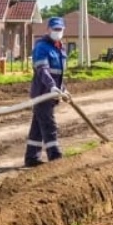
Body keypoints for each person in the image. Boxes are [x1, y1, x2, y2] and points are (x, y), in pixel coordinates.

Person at [25, 14, 70, 166]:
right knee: (49, 126)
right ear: (48, 29)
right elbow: (42, 70)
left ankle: (32, 158)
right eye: (55, 28)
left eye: (60, 29)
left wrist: (63, 89)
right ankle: (55, 158)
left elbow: (60, 74)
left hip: (52, 94)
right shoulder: (41, 47)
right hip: (42, 94)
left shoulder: (60, 49)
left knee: (38, 126)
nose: (58, 31)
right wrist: (52, 86)